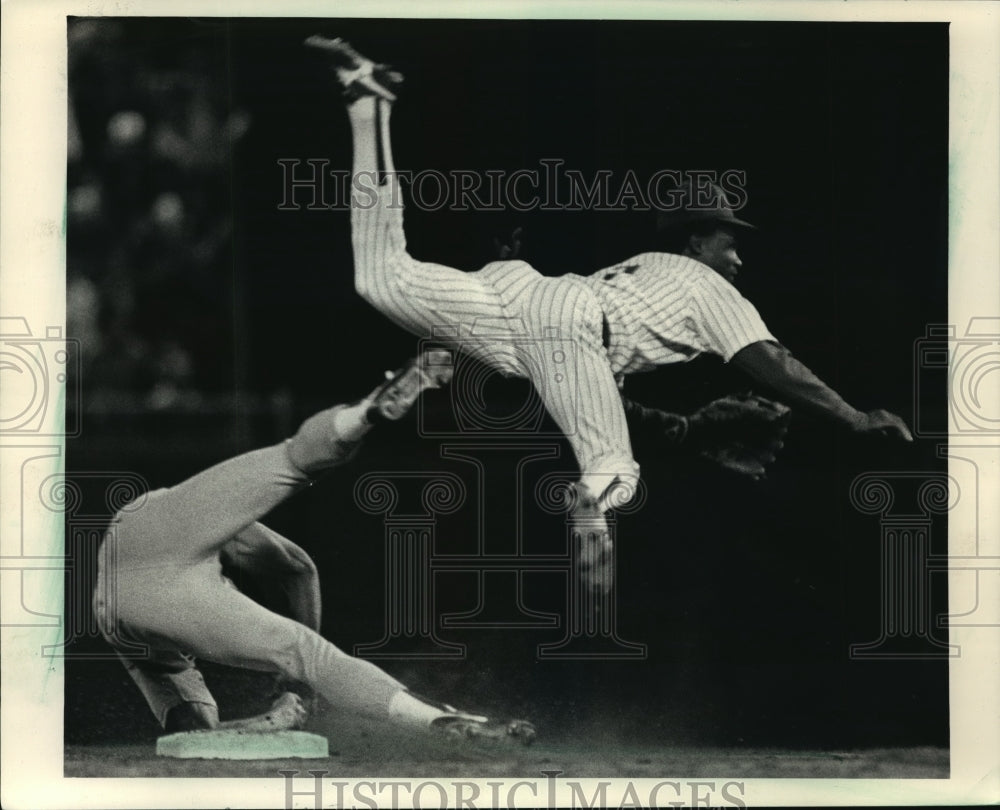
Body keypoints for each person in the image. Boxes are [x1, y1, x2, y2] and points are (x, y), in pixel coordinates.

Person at [307, 36, 911, 589]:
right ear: (696, 242)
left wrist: (685, 429)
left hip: (525, 298)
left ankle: (367, 104)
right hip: (568, 323)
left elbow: (596, 390)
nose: (738, 259)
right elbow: (770, 362)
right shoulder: (706, 284)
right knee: (615, 468)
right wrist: (852, 418)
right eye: (730, 241)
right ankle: (592, 502)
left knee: (380, 278)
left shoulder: (646, 267)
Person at [93, 352, 536, 745]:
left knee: (300, 653)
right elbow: (299, 569)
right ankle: (363, 412)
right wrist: (296, 686)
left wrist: (275, 701)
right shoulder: (198, 559)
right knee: (293, 461)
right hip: (151, 515)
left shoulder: (141, 641)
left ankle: (438, 720)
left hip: (116, 596)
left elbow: (190, 733)